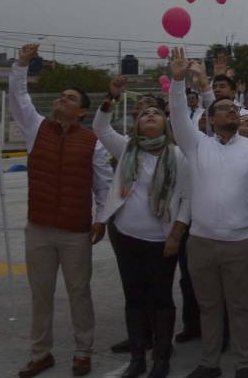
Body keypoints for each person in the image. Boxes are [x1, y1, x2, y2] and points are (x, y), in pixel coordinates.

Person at [166, 48, 248, 378]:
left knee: (240, 307)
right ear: (211, 119)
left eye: (233, 109)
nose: (230, 111)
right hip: (201, 242)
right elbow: (178, 114)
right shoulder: (196, 145)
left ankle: (242, 363)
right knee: (208, 306)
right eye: (223, 108)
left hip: (240, 243)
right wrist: (179, 80)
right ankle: (210, 362)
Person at [9, 44, 112, 378]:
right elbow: (18, 96)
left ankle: (83, 352)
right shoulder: (36, 129)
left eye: (70, 98)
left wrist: (101, 219)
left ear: (82, 112)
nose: (62, 99)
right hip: (38, 228)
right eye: (61, 95)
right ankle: (41, 353)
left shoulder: (92, 141)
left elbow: (103, 185)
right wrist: (21, 64)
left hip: (75, 232)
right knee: (41, 293)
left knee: (79, 292)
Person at [93, 77, 190, 378]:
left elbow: (187, 198)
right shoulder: (127, 148)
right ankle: (138, 358)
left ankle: (161, 359)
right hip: (126, 237)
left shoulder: (178, 155)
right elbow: (100, 128)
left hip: (162, 242)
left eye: (156, 113)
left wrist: (176, 234)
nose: (149, 115)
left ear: (166, 122)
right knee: (134, 298)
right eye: (145, 113)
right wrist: (112, 96)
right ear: (137, 123)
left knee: (161, 299)